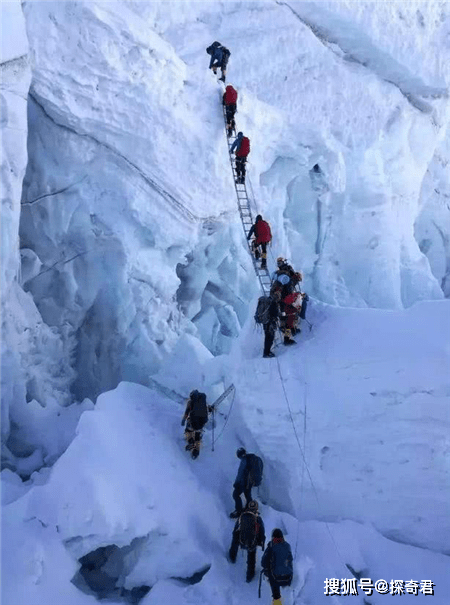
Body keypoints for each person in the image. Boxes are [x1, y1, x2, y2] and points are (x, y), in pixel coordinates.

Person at [229, 500, 266, 583]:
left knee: (235, 541)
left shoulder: (242, 516)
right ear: (256, 508)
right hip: (251, 543)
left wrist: (237, 539)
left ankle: (232, 556)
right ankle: (250, 575)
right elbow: (262, 532)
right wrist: (261, 543)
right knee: (251, 557)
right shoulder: (258, 518)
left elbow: (236, 530)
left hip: (241, 540)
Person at [261, 528, 294, 605]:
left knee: (273, 578)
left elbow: (263, 562)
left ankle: (277, 600)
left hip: (276, 578)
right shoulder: (287, 546)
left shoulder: (271, 546)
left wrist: (266, 571)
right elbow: (290, 559)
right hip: (288, 578)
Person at [230, 448, 264, 518]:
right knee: (247, 495)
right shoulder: (253, 458)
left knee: (235, 494)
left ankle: (238, 511)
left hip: (244, 482)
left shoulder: (244, 460)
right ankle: (250, 509)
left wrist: (236, 483)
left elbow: (240, 473)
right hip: (250, 482)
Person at [181, 390, 213, 459]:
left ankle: (191, 442)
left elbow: (187, 412)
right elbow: (208, 409)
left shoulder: (190, 402)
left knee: (188, 430)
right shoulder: (203, 401)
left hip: (193, 422)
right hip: (202, 422)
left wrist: (184, 419)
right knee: (197, 435)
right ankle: (196, 452)